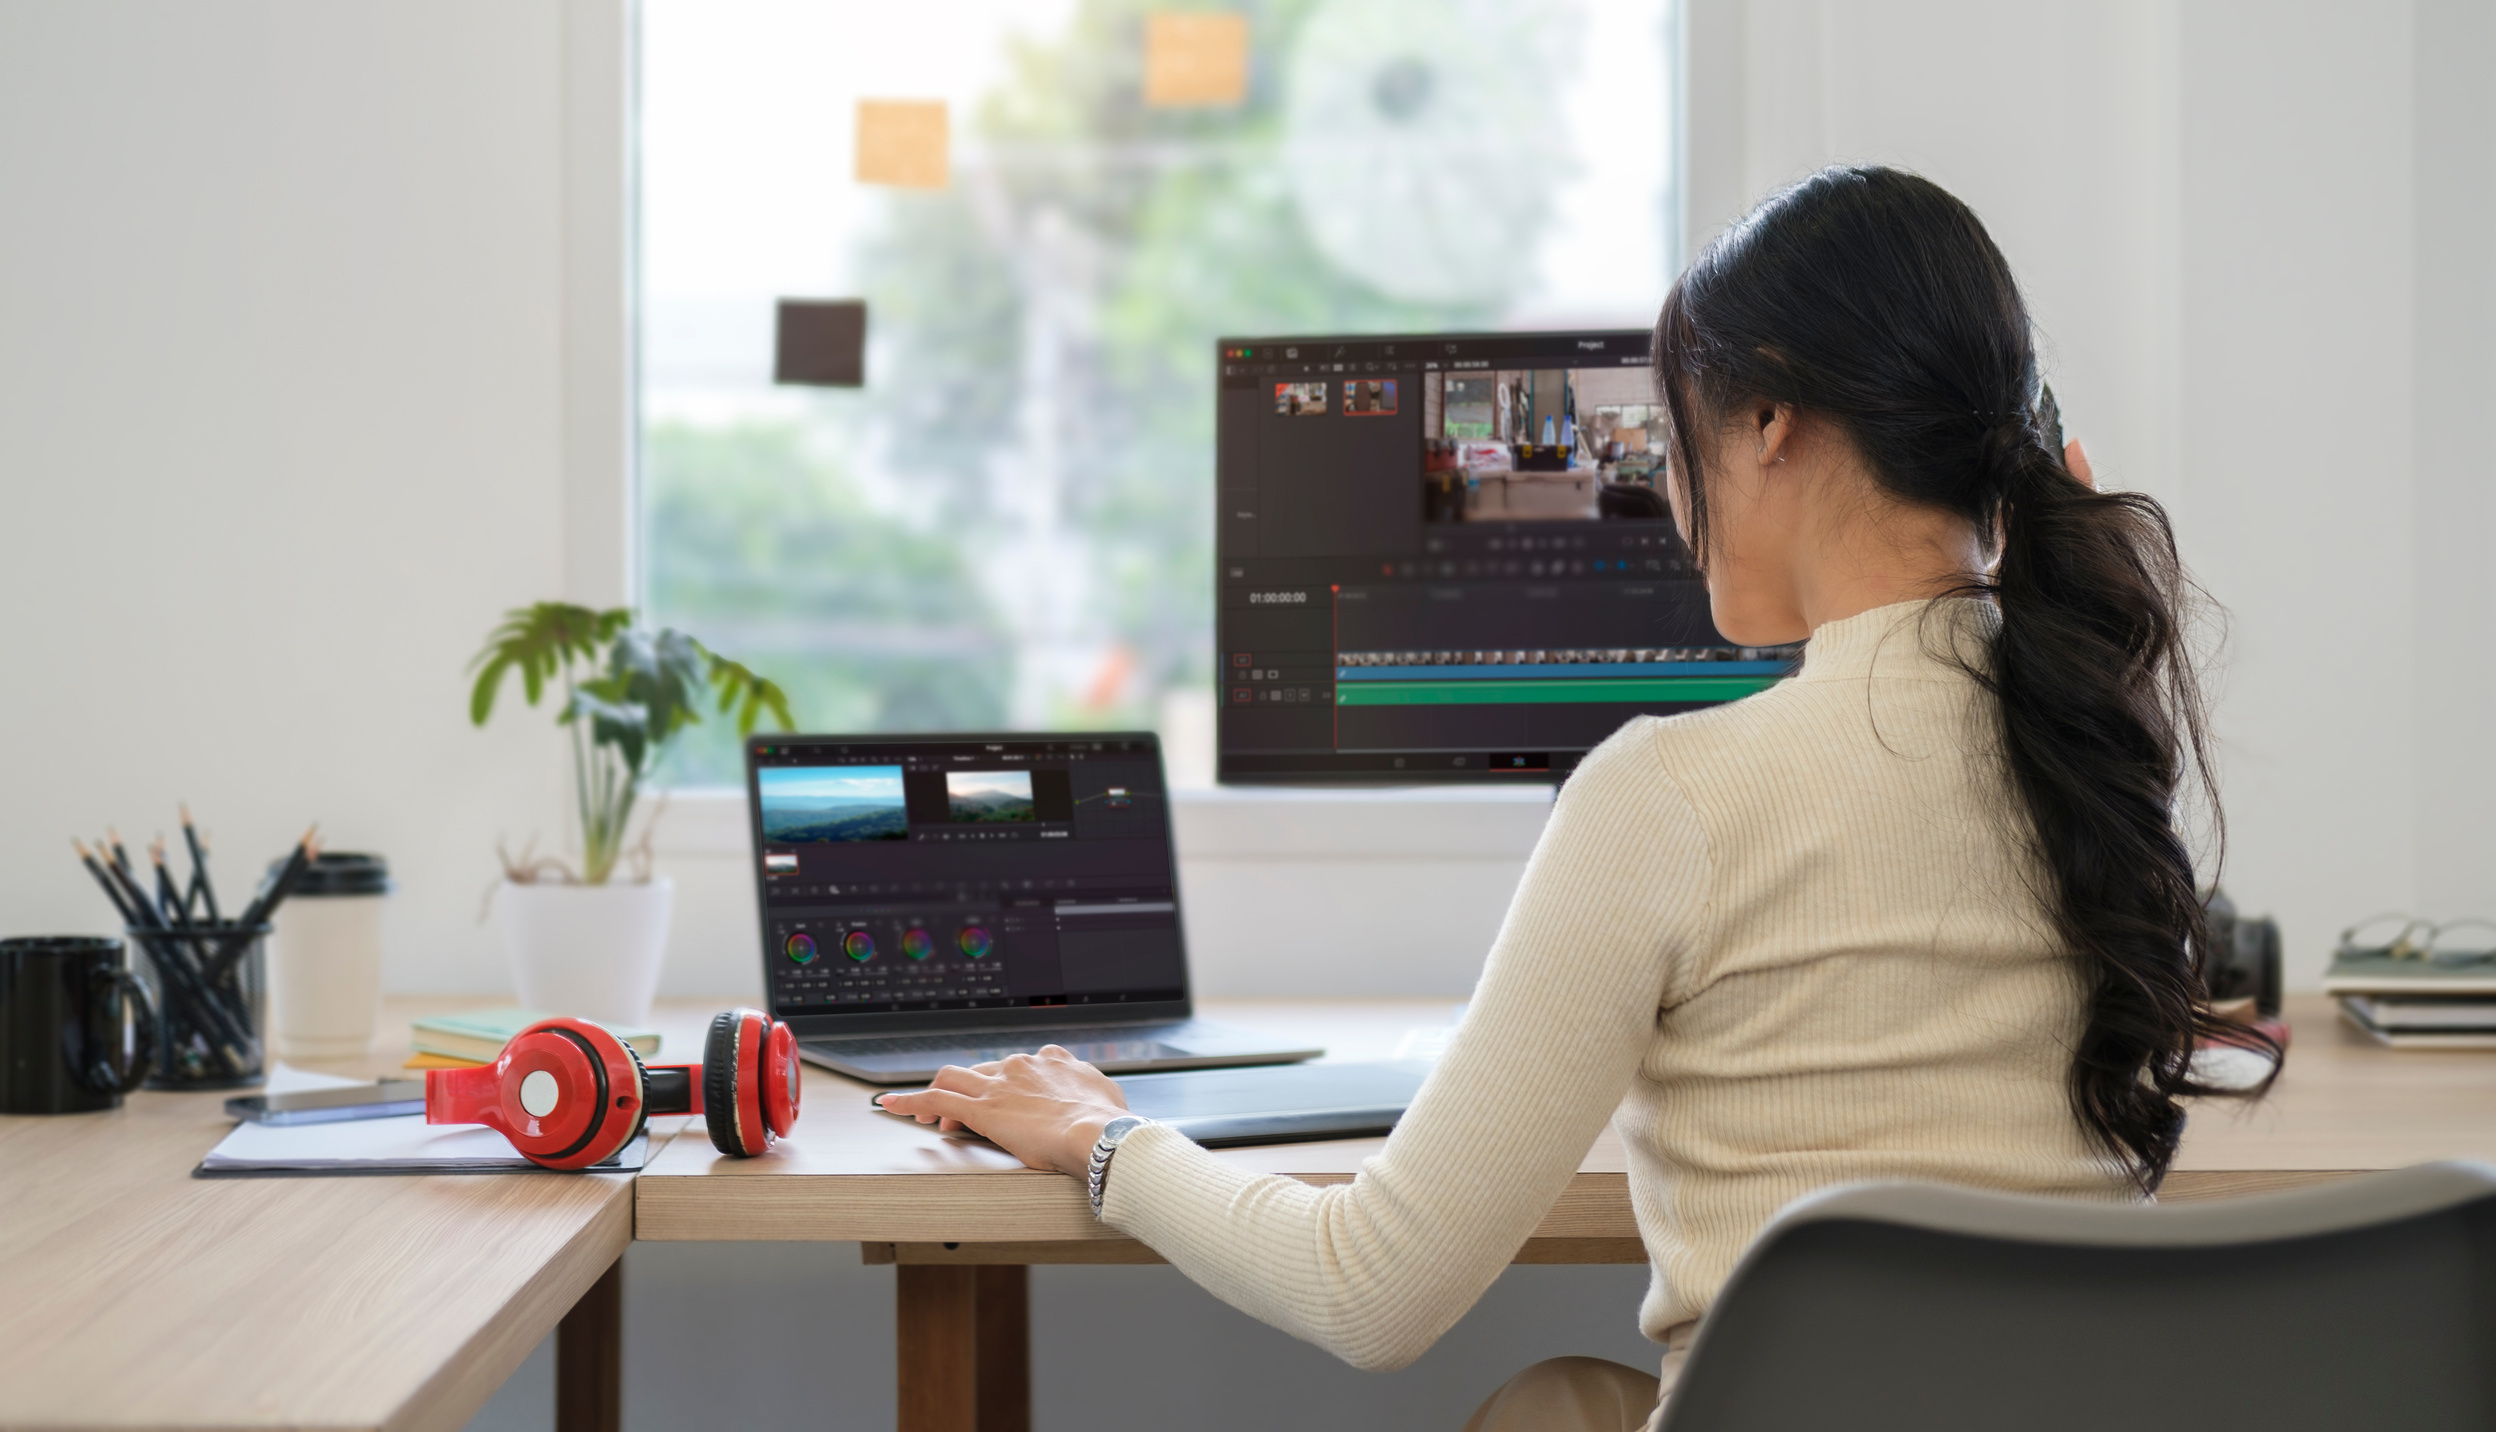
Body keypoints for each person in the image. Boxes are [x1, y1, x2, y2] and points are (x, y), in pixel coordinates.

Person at [880, 166, 2277, 1431]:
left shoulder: (1673, 794)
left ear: (1772, 423)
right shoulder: (2093, 747)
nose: (1675, 506)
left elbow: (1372, 1290)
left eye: (1676, 450)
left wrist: (1107, 1137)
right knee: (1557, 1402)